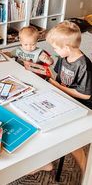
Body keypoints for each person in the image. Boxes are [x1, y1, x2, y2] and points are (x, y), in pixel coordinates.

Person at [46, 20, 92, 173]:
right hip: (65, 98)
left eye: (55, 48)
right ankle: (44, 159)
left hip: (82, 106)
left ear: (66, 47)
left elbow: (85, 96)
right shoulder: (63, 57)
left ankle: (86, 171)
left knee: (70, 138)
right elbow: (59, 77)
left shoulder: (84, 65)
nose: (54, 50)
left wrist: (58, 87)